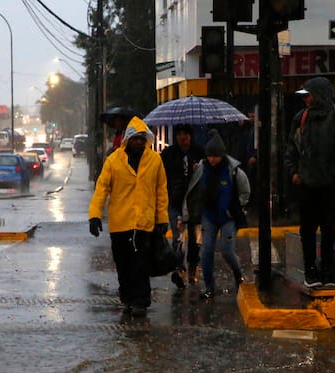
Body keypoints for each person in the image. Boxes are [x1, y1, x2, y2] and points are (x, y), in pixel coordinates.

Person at [284, 76, 335, 288]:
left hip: (330, 185)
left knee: (329, 229)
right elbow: (291, 148)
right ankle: (311, 271)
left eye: (308, 95)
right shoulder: (300, 119)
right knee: (308, 230)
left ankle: (327, 271)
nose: (305, 100)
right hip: (307, 185)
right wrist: (294, 172)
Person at [88, 116, 169, 317]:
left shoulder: (155, 160)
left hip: (144, 223)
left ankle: (141, 301)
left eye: (142, 139)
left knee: (140, 264)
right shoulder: (113, 161)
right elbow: (102, 188)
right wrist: (95, 215)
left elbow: (161, 191)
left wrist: (162, 219)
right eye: (136, 139)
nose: (139, 143)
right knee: (123, 264)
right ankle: (127, 299)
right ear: (128, 140)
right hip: (120, 224)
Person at [183, 129, 250, 299]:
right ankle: (209, 287)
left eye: (215, 156)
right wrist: (188, 214)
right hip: (209, 217)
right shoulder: (202, 168)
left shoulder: (233, 171)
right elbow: (192, 190)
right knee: (206, 252)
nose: (212, 159)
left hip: (228, 217)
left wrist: (235, 207)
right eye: (209, 155)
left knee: (227, 250)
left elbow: (245, 192)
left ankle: (238, 274)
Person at [160, 123, 206, 289]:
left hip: (195, 205)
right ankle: (180, 269)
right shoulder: (168, 154)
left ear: (191, 135)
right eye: (179, 133)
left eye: (185, 133)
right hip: (176, 203)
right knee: (178, 240)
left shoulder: (200, 153)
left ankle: (194, 265)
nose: (182, 137)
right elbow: (161, 178)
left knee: (196, 241)